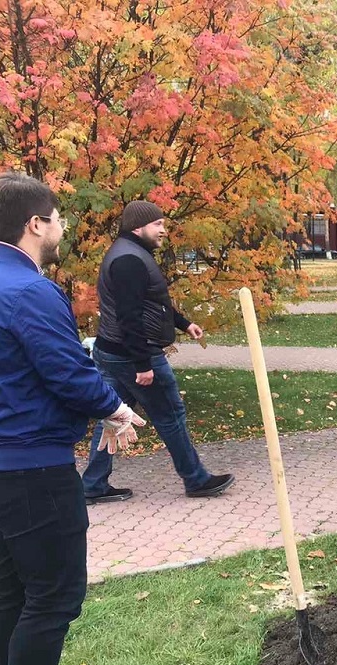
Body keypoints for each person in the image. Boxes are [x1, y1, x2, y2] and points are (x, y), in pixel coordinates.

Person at [0, 172, 147, 665]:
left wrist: (103, 409)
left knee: (12, 586)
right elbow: (66, 373)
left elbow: (27, 371)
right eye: (58, 217)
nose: (63, 226)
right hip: (29, 467)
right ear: (36, 224)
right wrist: (117, 411)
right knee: (54, 594)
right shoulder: (29, 291)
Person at [82, 200, 235, 502]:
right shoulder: (129, 260)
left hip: (113, 351)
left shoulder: (130, 254)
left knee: (114, 417)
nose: (164, 230)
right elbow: (129, 317)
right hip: (133, 355)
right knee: (170, 414)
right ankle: (196, 479)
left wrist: (183, 323)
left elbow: (152, 303)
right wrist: (143, 364)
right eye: (158, 224)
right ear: (138, 227)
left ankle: (92, 485)